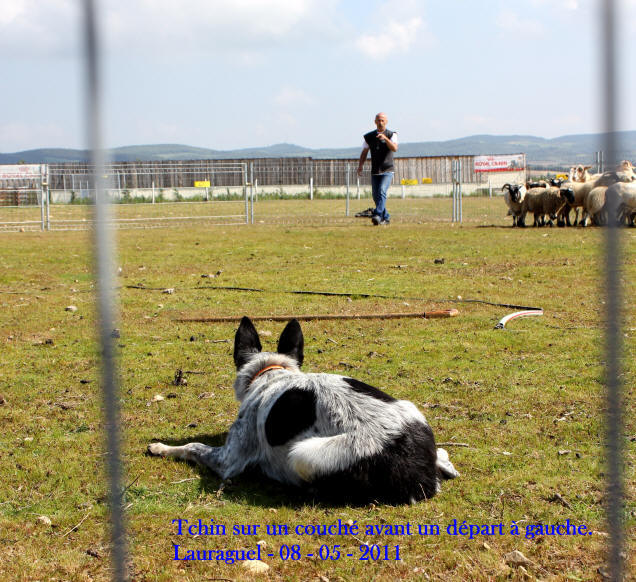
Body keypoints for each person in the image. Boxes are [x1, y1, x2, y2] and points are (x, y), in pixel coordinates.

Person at [357, 112, 398, 225]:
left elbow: (394, 148)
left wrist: (385, 139)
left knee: (382, 191)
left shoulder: (392, 134)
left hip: (387, 170)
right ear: (375, 122)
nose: (380, 122)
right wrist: (360, 165)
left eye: (382, 120)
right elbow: (364, 152)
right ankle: (386, 217)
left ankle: (377, 214)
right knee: (376, 196)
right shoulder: (369, 137)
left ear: (386, 121)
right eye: (378, 120)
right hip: (375, 170)